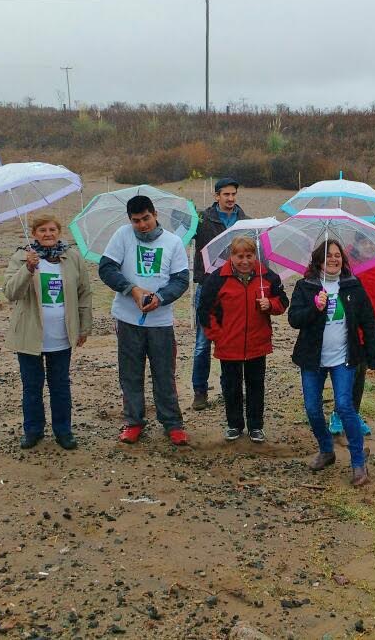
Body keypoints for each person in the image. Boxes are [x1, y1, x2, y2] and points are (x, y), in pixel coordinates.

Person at [288, 239, 375, 487]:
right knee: (312, 407)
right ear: (319, 260)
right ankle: (326, 450)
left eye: (337, 255)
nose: (334, 259)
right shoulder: (306, 286)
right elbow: (294, 320)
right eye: (328, 256)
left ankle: (357, 462)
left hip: (344, 357)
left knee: (344, 405)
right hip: (313, 359)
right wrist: (315, 307)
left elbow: (369, 323)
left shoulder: (352, 285)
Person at [99, 194, 191, 446]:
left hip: (160, 322)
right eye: (136, 220)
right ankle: (134, 421)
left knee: (164, 373)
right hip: (127, 319)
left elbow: (181, 280)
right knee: (130, 373)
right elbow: (106, 268)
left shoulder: (173, 242)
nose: (142, 225)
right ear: (130, 220)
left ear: (155, 215)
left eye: (146, 218)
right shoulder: (122, 236)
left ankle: (172, 423)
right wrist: (132, 290)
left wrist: (160, 298)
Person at [3, 213, 92, 450]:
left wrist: (84, 327)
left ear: (58, 232)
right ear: (34, 234)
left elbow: (84, 292)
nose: (48, 234)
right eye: (42, 230)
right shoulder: (22, 257)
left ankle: (63, 430)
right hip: (30, 335)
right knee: (32, 386)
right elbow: (11, 292)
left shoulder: (72, 257)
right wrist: (28, 269)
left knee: (60, 385)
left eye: (52, 229)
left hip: (61, 336)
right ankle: (33, 430)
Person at [197, 236, 288, 442]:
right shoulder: (217, 278)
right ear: (231, 256)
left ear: (255, 256)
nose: (245, 261)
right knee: (231, 386)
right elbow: (205, 311)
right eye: (239, 256)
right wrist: (218, 337)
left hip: (258, 344)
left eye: (249, 256)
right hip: (228, 345)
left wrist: (270, 304)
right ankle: (234, 424)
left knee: (256, 385)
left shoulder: (267, 276)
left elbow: (282, 301)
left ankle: (256, 426)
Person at [329, 234, 375, 435]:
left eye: (372, 242)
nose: (368, 246)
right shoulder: (344, 264)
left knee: (359, 375)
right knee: (344, 375)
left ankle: (354, 414)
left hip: (367, 333)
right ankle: (337, 413)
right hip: (343, 330)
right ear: (357, 243)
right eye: (363, 242)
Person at [190, 177, 249, 411]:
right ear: (216, 196)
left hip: (234, 286)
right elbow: (183, 233)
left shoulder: (245, 221)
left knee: (231, 339)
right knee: (202, 343)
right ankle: (200, 391)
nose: (231, 198)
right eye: (226, 194)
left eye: (234, 194)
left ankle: (229, 388)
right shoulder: (203, 220)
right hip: (207, 286)